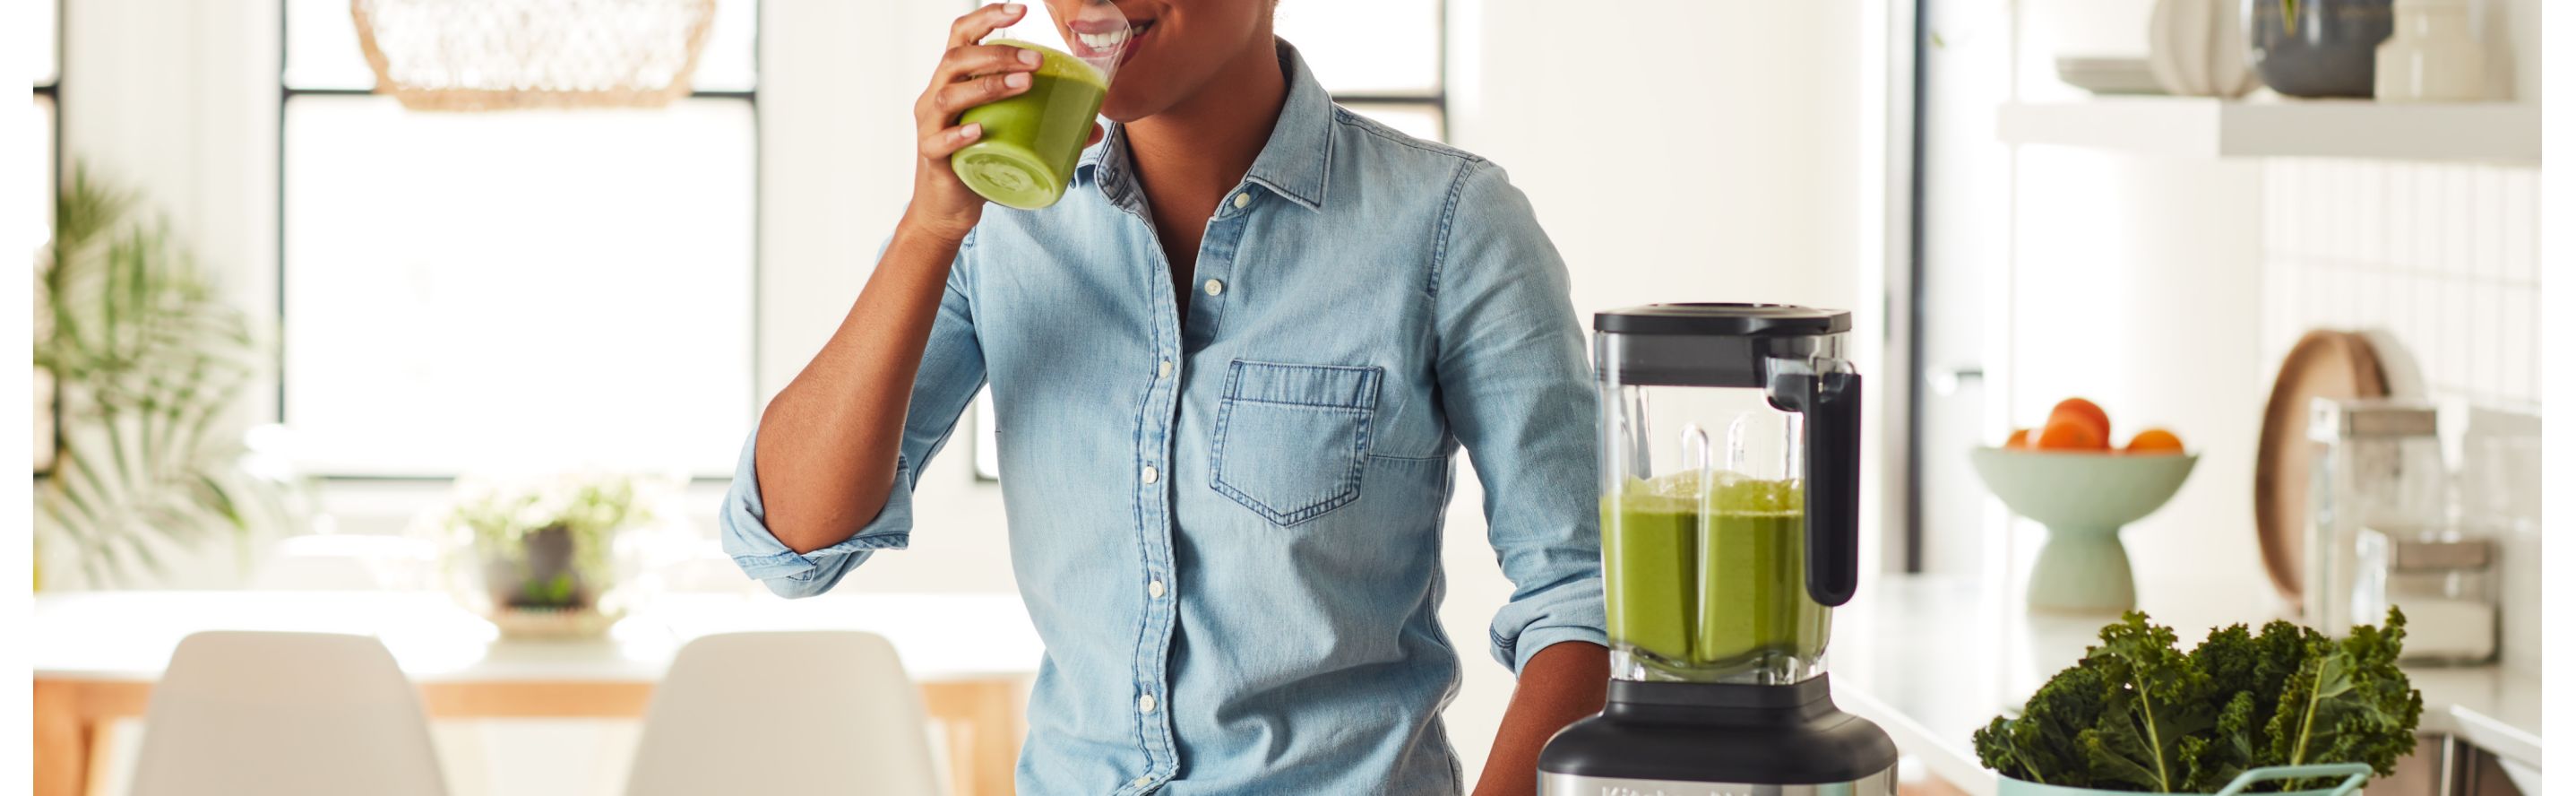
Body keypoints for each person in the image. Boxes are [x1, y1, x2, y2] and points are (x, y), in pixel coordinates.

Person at [720, 2, 1605, 792]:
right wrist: (929, 229)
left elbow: (1583, 598)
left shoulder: (1449, 223)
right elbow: (794, 546)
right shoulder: (996, 233)